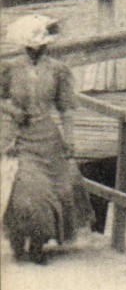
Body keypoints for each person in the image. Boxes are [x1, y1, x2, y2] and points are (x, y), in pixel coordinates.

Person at [1, 14, 90, 265]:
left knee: (51, 193)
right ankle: (18, 243)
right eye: (31, 46)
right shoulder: (9, 68)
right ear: (23, 46)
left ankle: (39, 245)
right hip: (18, 137)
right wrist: (13, 111)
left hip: (48, 137)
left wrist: (70, 140)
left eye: (41, 45)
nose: (36, 50)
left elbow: (65, 108)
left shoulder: (59, 70)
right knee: (24, 192)